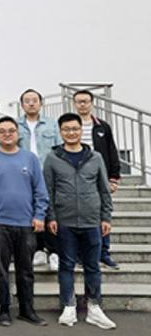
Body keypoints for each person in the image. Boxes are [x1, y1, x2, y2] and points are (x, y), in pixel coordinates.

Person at [44, 113, 116, 329]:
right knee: (66, 265)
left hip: (92, 221)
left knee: (92, 265)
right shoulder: (53, 157)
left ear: (80, 131)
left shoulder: (95, 157)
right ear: (60, 131)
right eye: (66, 129)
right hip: (64, 222)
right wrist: (51, 217)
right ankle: (68, 305)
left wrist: (106, 217)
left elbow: (104, 189)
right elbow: (48, 190)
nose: (71, 133)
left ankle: (95, 307)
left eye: (75, 129)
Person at [0, 116, 49, 327]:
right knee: (0, 270)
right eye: (2, 131)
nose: (7, 134)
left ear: (18, 134)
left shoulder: (30, 159)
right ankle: (4, 309)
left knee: (25, 270)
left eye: (11, 130)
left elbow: (40, 190)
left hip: (26, 224)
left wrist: (40, 215)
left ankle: (27, 309)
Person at [73, 89, 122, 269]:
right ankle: (79, 255)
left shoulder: (102, 126)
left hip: (99, 177)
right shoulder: (69, 126)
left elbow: (112, 152)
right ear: (74, 104)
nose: (82, 104)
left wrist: (114, 178)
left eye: (85, 101)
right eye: (79, 101)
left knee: (103, 215)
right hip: (76, 177)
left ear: (92, 103)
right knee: (77, 216)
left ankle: (104, 253)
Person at [16, 89, 62, 269]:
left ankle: (54, 251)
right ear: (22, 105)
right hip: (24, 174)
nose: (31, 103)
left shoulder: (51, 124)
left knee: (50, 210)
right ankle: (38, 250)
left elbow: (59, 148)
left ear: (41, 103)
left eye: (34, 100)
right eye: (27, 101)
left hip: (48, 172)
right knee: (31, 211)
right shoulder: (16, 125)